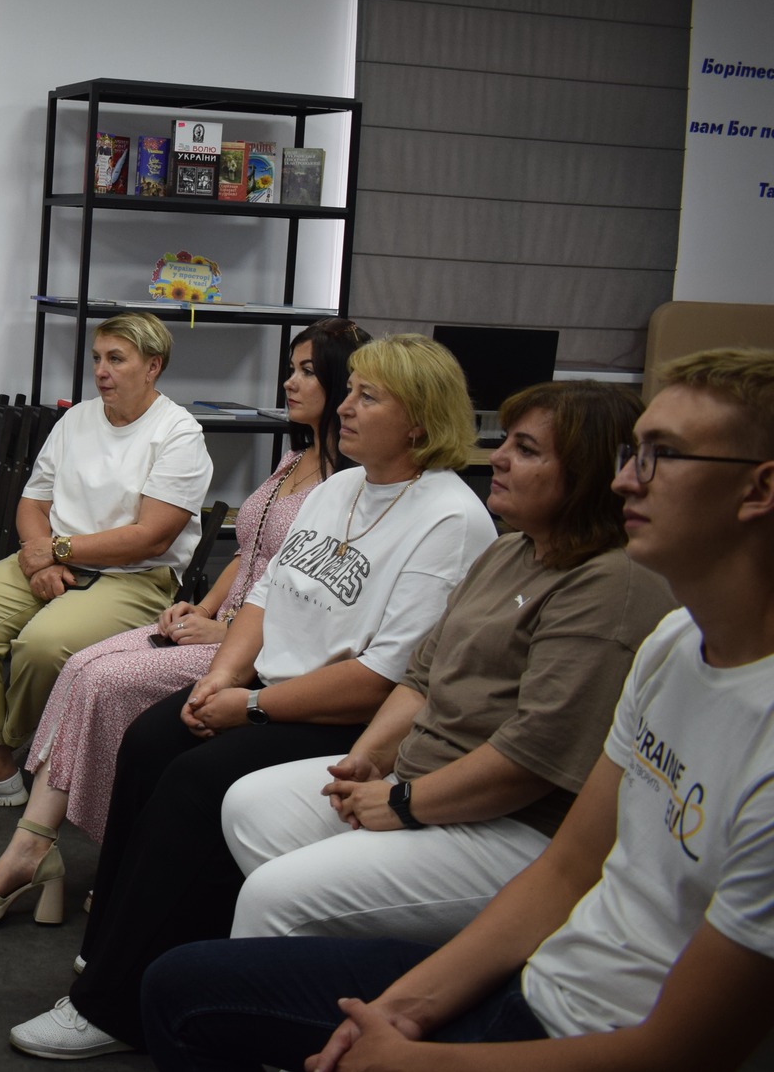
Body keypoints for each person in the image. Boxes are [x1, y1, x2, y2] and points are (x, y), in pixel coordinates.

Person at [139, 348, 774, 1072]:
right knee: (216, 887)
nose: (628, 477)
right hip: (536, 969)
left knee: (267, 897)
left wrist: (401, 804)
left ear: (759, 488)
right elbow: (566, 868)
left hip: (555, 967)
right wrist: (399, 1011)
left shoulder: (621, 598)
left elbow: (682, 1048)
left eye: (663, 455)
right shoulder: (672, 641)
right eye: (633, 454)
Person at [6, 333, 495, 1059]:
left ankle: (111, 1008)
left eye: (368, 396)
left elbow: (385, 678)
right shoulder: (340, 487)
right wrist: (223, 676)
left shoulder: (449, 519)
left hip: (344, 716)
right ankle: (113, 949)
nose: (346, 407)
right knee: (149, 740)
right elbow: (266, 593)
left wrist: (255, 706)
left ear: (420, 421)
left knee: (195, 784)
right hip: (267, 684)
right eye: (350, 391)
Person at [221, 380, 674, 944]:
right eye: (506, 441)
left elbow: (532, 757)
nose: (498, 458)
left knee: (274, 898)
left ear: (588, 473)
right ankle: (358, 961)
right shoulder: (510, 549)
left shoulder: (607, 585)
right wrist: (367, 759)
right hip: (420, 775)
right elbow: (420, 677)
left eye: (526, 450)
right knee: (248, 807)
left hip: (513, 826)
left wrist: (403, 803)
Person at [0, 318, 368, 924]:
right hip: (222, 622)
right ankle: (33, 839)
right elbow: (253, 556)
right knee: (78, 666)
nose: (288, 382)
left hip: (256, 645)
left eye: (306, 371)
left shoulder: (349, 483)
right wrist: (205, 608)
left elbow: (313, 600)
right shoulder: (296, 461)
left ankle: (61, 850)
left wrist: (228, 631)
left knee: (86, 672)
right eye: (291, 368)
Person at [0, 314, 212, 809]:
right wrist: (43, 561)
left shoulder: (178, 433)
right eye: (97, 358)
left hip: (135, 576)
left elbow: (151, 537)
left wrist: (59, 551)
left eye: (116, 359)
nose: (101, 370)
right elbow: (33, 502)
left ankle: (8, 751)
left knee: (44, 646)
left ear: (153, 367)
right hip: (55, 555)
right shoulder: (77, 419)